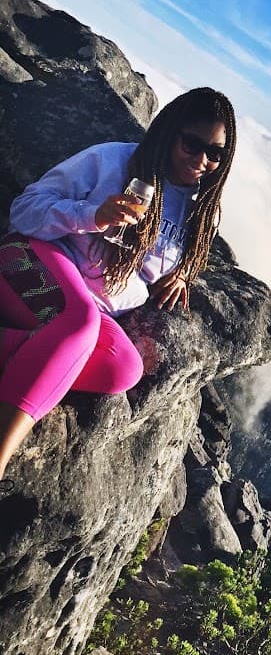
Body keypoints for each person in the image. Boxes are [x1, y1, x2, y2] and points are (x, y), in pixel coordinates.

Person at [0, 87, 237, 494]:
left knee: (122, 368)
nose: (201, 161)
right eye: (192, 144)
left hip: (92, 311)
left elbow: (183, 258)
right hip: (27, 261)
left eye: (214, 153)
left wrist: (182, 275)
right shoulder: (113, 160)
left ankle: (28, 351)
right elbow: (25, 209)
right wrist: (93, 215)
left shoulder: (202, 213)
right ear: (169, 132)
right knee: (79, 323)